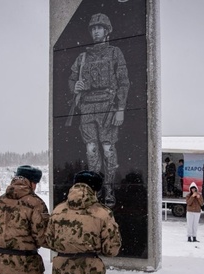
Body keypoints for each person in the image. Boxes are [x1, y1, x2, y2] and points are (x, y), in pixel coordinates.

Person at [67, 12, 130, 208]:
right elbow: (71, 79)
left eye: (99, 28)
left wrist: (120, 108)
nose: (96, 32)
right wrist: (74, 86)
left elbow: (123, 82)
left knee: (108, 149)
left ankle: (109, 188)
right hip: (87, 107)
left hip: (107, 106)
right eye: (93, 28)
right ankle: (94, 190)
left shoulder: (114, 53)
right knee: (91, 150)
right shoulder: (83, 57)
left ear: (106, 30)